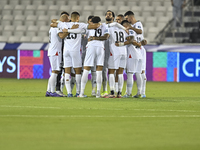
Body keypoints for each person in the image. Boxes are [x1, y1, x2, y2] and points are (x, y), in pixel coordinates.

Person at [50, 12, 101, 97]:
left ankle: (69, 93)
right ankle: (78, 92)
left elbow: (53, 24)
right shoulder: (80, 25)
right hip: (75, 51)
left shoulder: (63, 25)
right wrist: (99, 24)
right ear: (78, 17)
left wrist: (62, 23)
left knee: (67, 72)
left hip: (66, 51)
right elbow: (95, 26)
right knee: (77, 72)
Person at [79, 16, 107, 98]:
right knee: (99, 71)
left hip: (91, 47)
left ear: (91, 22)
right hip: (101, 47)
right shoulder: (104, 26)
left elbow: (83, 36)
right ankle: (98, 93)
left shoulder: (89, 27)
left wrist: (91, 37)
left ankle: (81, 92)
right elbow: (106, 36)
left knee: (86, 69)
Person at [124, 11, 147, 98]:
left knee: (141, 72)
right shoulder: (132, 27)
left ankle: (141, 92)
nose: (127, 20)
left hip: (138, 50)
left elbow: (140, 31)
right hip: (138, 49)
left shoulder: (137, 24)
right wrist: (142, 42)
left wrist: (131, 28)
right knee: (139, 72)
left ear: (131, 17)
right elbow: (141, 38)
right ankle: (140, 92)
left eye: (127, 18)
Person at [45, 14, 70, 97]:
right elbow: (61, 36)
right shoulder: (58, 27)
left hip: (52, 50)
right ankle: (52, 91)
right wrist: (69, 31)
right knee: (55, 72)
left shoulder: (53, 27)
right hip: (55, 51)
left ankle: (48, 91)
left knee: (54, 72)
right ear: (65, 20)